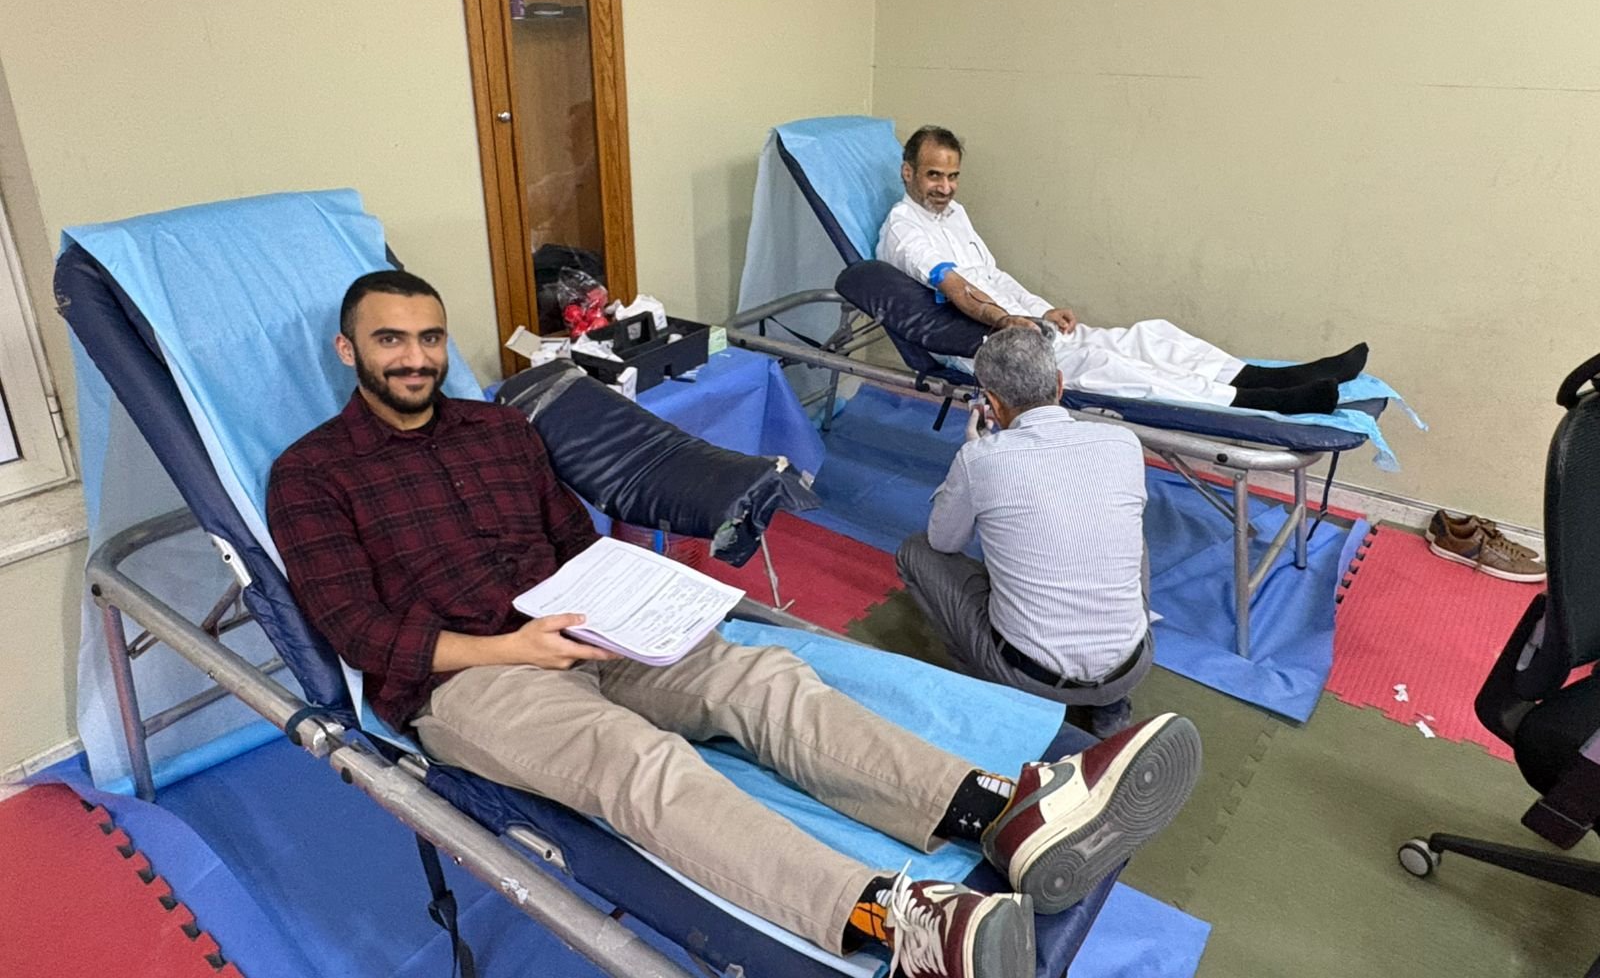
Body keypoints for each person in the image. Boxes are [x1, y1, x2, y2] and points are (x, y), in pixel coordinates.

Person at [267, 270, 1202, 978]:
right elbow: (358, 630)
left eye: (429, 337)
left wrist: (633, 601)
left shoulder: (500, 430)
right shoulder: (311, 476)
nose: (416, 357)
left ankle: (1001, 812)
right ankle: (895, 918)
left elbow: (568, 539)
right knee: (635, 762)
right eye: (390, 340)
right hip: (467, 678)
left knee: (763, 680)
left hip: (582, 627)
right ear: (349, 351)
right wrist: (513, 646)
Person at [876, 125, 1369, 415]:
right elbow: (958, 288)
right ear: (908, 172)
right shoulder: (904, 230)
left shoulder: (953, 215)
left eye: (953, 176)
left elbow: (993, 276)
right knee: (1115, 369)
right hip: (989, 348)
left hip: (1028, 328)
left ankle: (1272, 377)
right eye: (934, 175)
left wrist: (1041, 311)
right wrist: (1010, 322)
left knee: (1151, 337)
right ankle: (1266, 402)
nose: (945, 187)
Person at [898, 327, 1153, 737]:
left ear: (992, 403)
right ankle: (1110, 705)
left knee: (915, 551)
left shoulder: (979, 458)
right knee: (1130, 534)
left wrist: (972, 454)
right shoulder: (1123, 442)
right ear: (1059, 384)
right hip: (1131, 666)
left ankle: (996, 694)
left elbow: (943, 542)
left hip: (1028, 677)